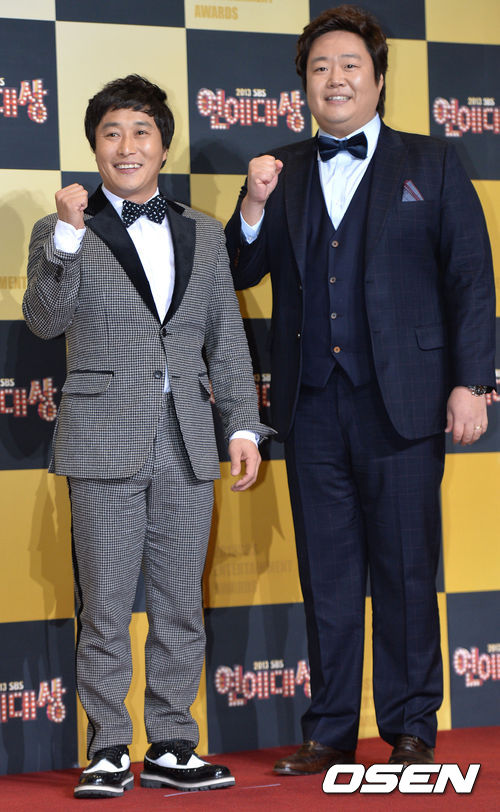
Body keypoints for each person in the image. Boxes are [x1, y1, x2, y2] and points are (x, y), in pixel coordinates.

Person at [225, 5, 496, 774]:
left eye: (350, 65)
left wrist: (471, 383)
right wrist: (252, 205)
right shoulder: (279, 170)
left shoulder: (433, 162)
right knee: (328, 575)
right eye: (320, 67)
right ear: (304, 85)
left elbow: (471, 279)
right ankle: (330, 729)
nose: (335, 78)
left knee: (407, 571)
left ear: (378, 79)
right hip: (311, 405)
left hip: (404, 401)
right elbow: (237, 270)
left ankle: (411, 726)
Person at [23, 74, 273, 799]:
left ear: (163, 146)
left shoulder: (202, 231)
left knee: (180, 604)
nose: (127, 146)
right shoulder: (61, 231)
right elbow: (43, 320)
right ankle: (107, 748)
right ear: (94, 147)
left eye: (141, 132)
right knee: (104, 605)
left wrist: (242, 427)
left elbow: (225, 339)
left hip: (188, 439)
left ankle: (171, 745)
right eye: (111, 134)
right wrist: (68, 238)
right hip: (104, 436)